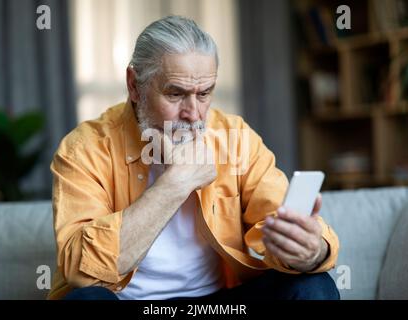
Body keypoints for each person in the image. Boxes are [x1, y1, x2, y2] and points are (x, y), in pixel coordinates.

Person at [48, 16, 340, 300]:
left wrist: (312, 250)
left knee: (313, 284)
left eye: (204, 93)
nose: (194, 113)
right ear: (135, 86)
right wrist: (176, 183)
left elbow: (275, 217)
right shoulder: (85, 148)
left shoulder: (235, 137)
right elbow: (81, 271)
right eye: (175, 94)